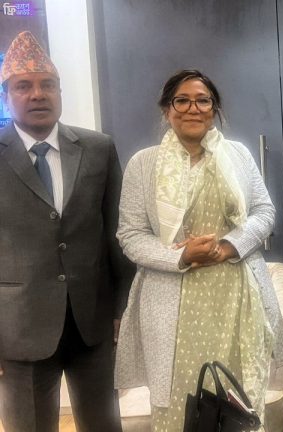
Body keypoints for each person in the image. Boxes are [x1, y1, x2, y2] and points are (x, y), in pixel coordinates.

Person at [114, 69, 283, 431]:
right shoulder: (144, 165)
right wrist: (180, 256)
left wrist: (229, 246)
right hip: (172, 303)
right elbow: (130, 234)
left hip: (237, 299)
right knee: (180, 406)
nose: (192, 108)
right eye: (182, 100)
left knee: (238, 402)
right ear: (167, 109)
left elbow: (265, 212)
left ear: (214, 109)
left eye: (202, 100)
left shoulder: (238, 155)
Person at [0, 31, 133, 431]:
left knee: (103, 424)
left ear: (60, 92)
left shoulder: (97, 148)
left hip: (91, 322)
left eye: (48, 85)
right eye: (24, 86)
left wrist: (120, 308)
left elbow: (116, 233)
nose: (38, 94)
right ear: (7, 96)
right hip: (19, 328)